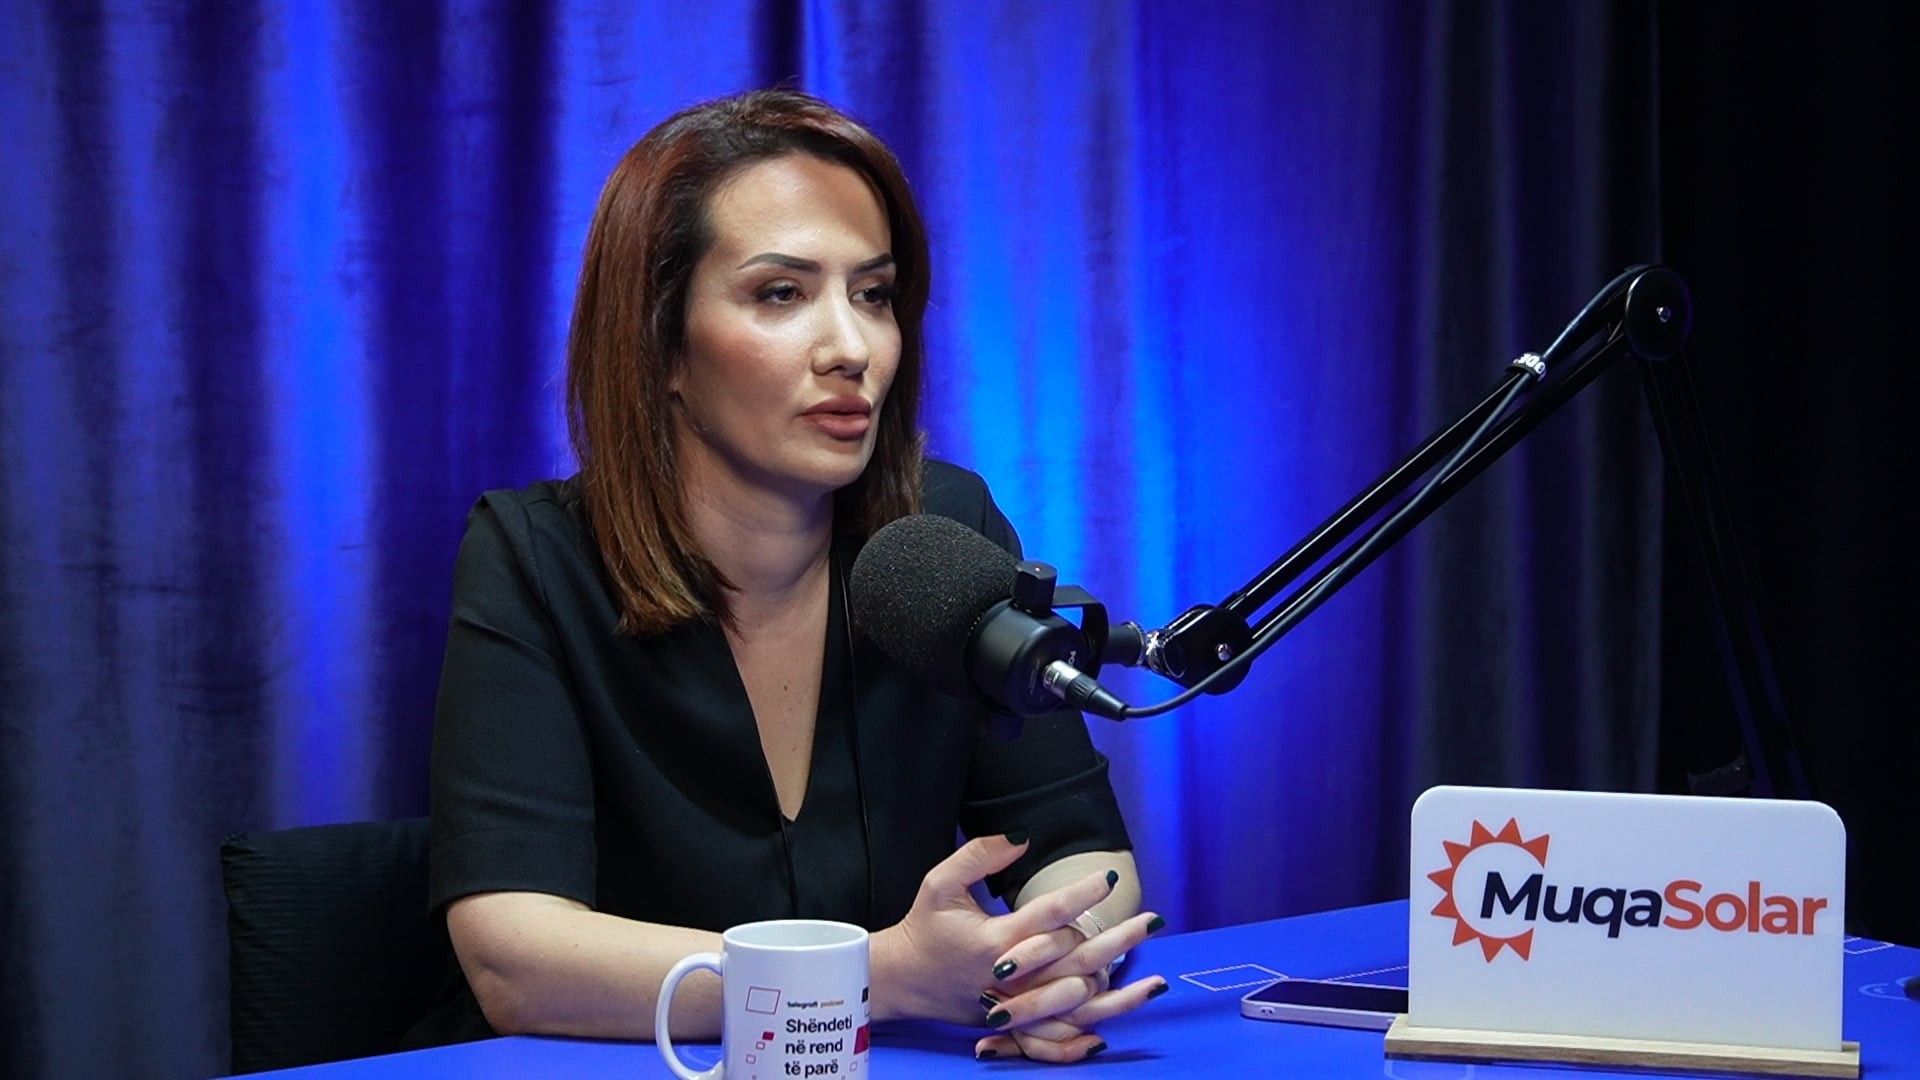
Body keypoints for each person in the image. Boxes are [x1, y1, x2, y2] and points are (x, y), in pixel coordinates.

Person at [405, 89, 1160, 1065]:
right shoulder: (534, 558)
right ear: (662, 343)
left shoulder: (944, 533)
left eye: (874, 295)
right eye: (780, 294)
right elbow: (515, 959)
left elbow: (1077, 847)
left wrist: (1048, 963)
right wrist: (878, 975)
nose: (852, 349)